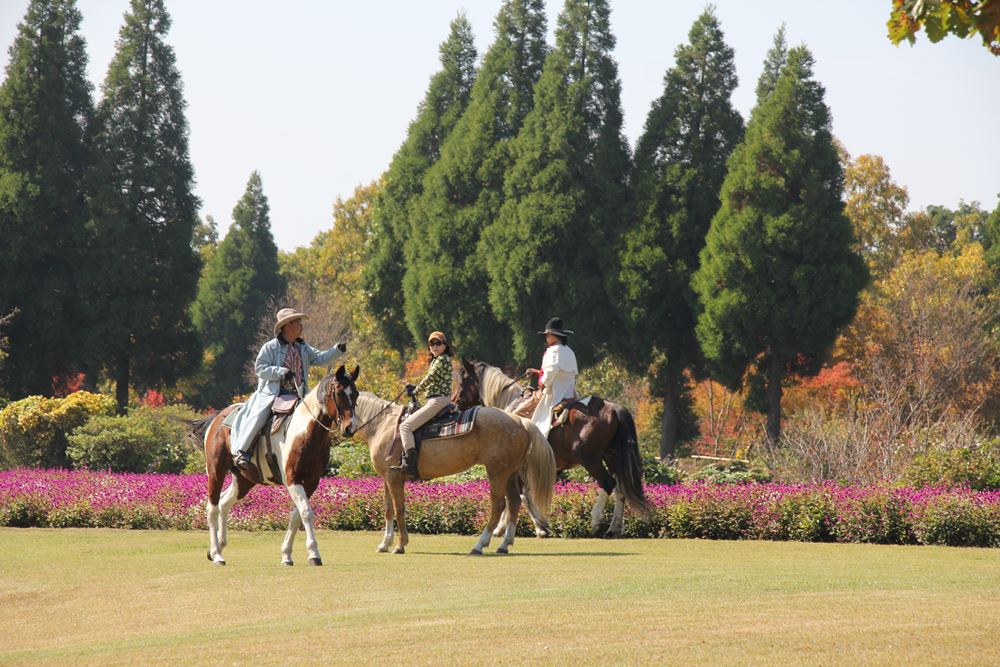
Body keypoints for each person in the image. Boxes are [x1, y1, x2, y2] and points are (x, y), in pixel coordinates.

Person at [231, 308, 346, 472]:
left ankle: (316, 459)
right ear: (286, 326)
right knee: (260, 416)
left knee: (319, 418)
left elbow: (320, 358)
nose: (301, 325)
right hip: (274, 395)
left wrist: (336, 350)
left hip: (300, 396)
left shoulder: (303, 347)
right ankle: (242, 451)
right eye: (297, 321)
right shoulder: (270, 347)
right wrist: (281, 372)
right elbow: (260, 368)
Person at [392, 331, 455, 478]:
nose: (435, 346)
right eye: (432, 343)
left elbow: (429, 377)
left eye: (438, 343)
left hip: (437, 401)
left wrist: (416, 390)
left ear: (445, 345)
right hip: (436, 399)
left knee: (405, 427)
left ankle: (410, 465)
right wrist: (416, 387)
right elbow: (433, 382)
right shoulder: (437, 360)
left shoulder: (442, 359)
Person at [526, 317, 578, 439]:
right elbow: (561, 373)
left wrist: (542, 385)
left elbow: (550, 373)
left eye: (547, 335)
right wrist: (537, 372)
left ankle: (539, 443)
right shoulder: (569, 351)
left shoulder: (554, 351)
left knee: (537, 425)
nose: (546, 338)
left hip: (555, 396)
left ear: (551, 335)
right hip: (570, 393)